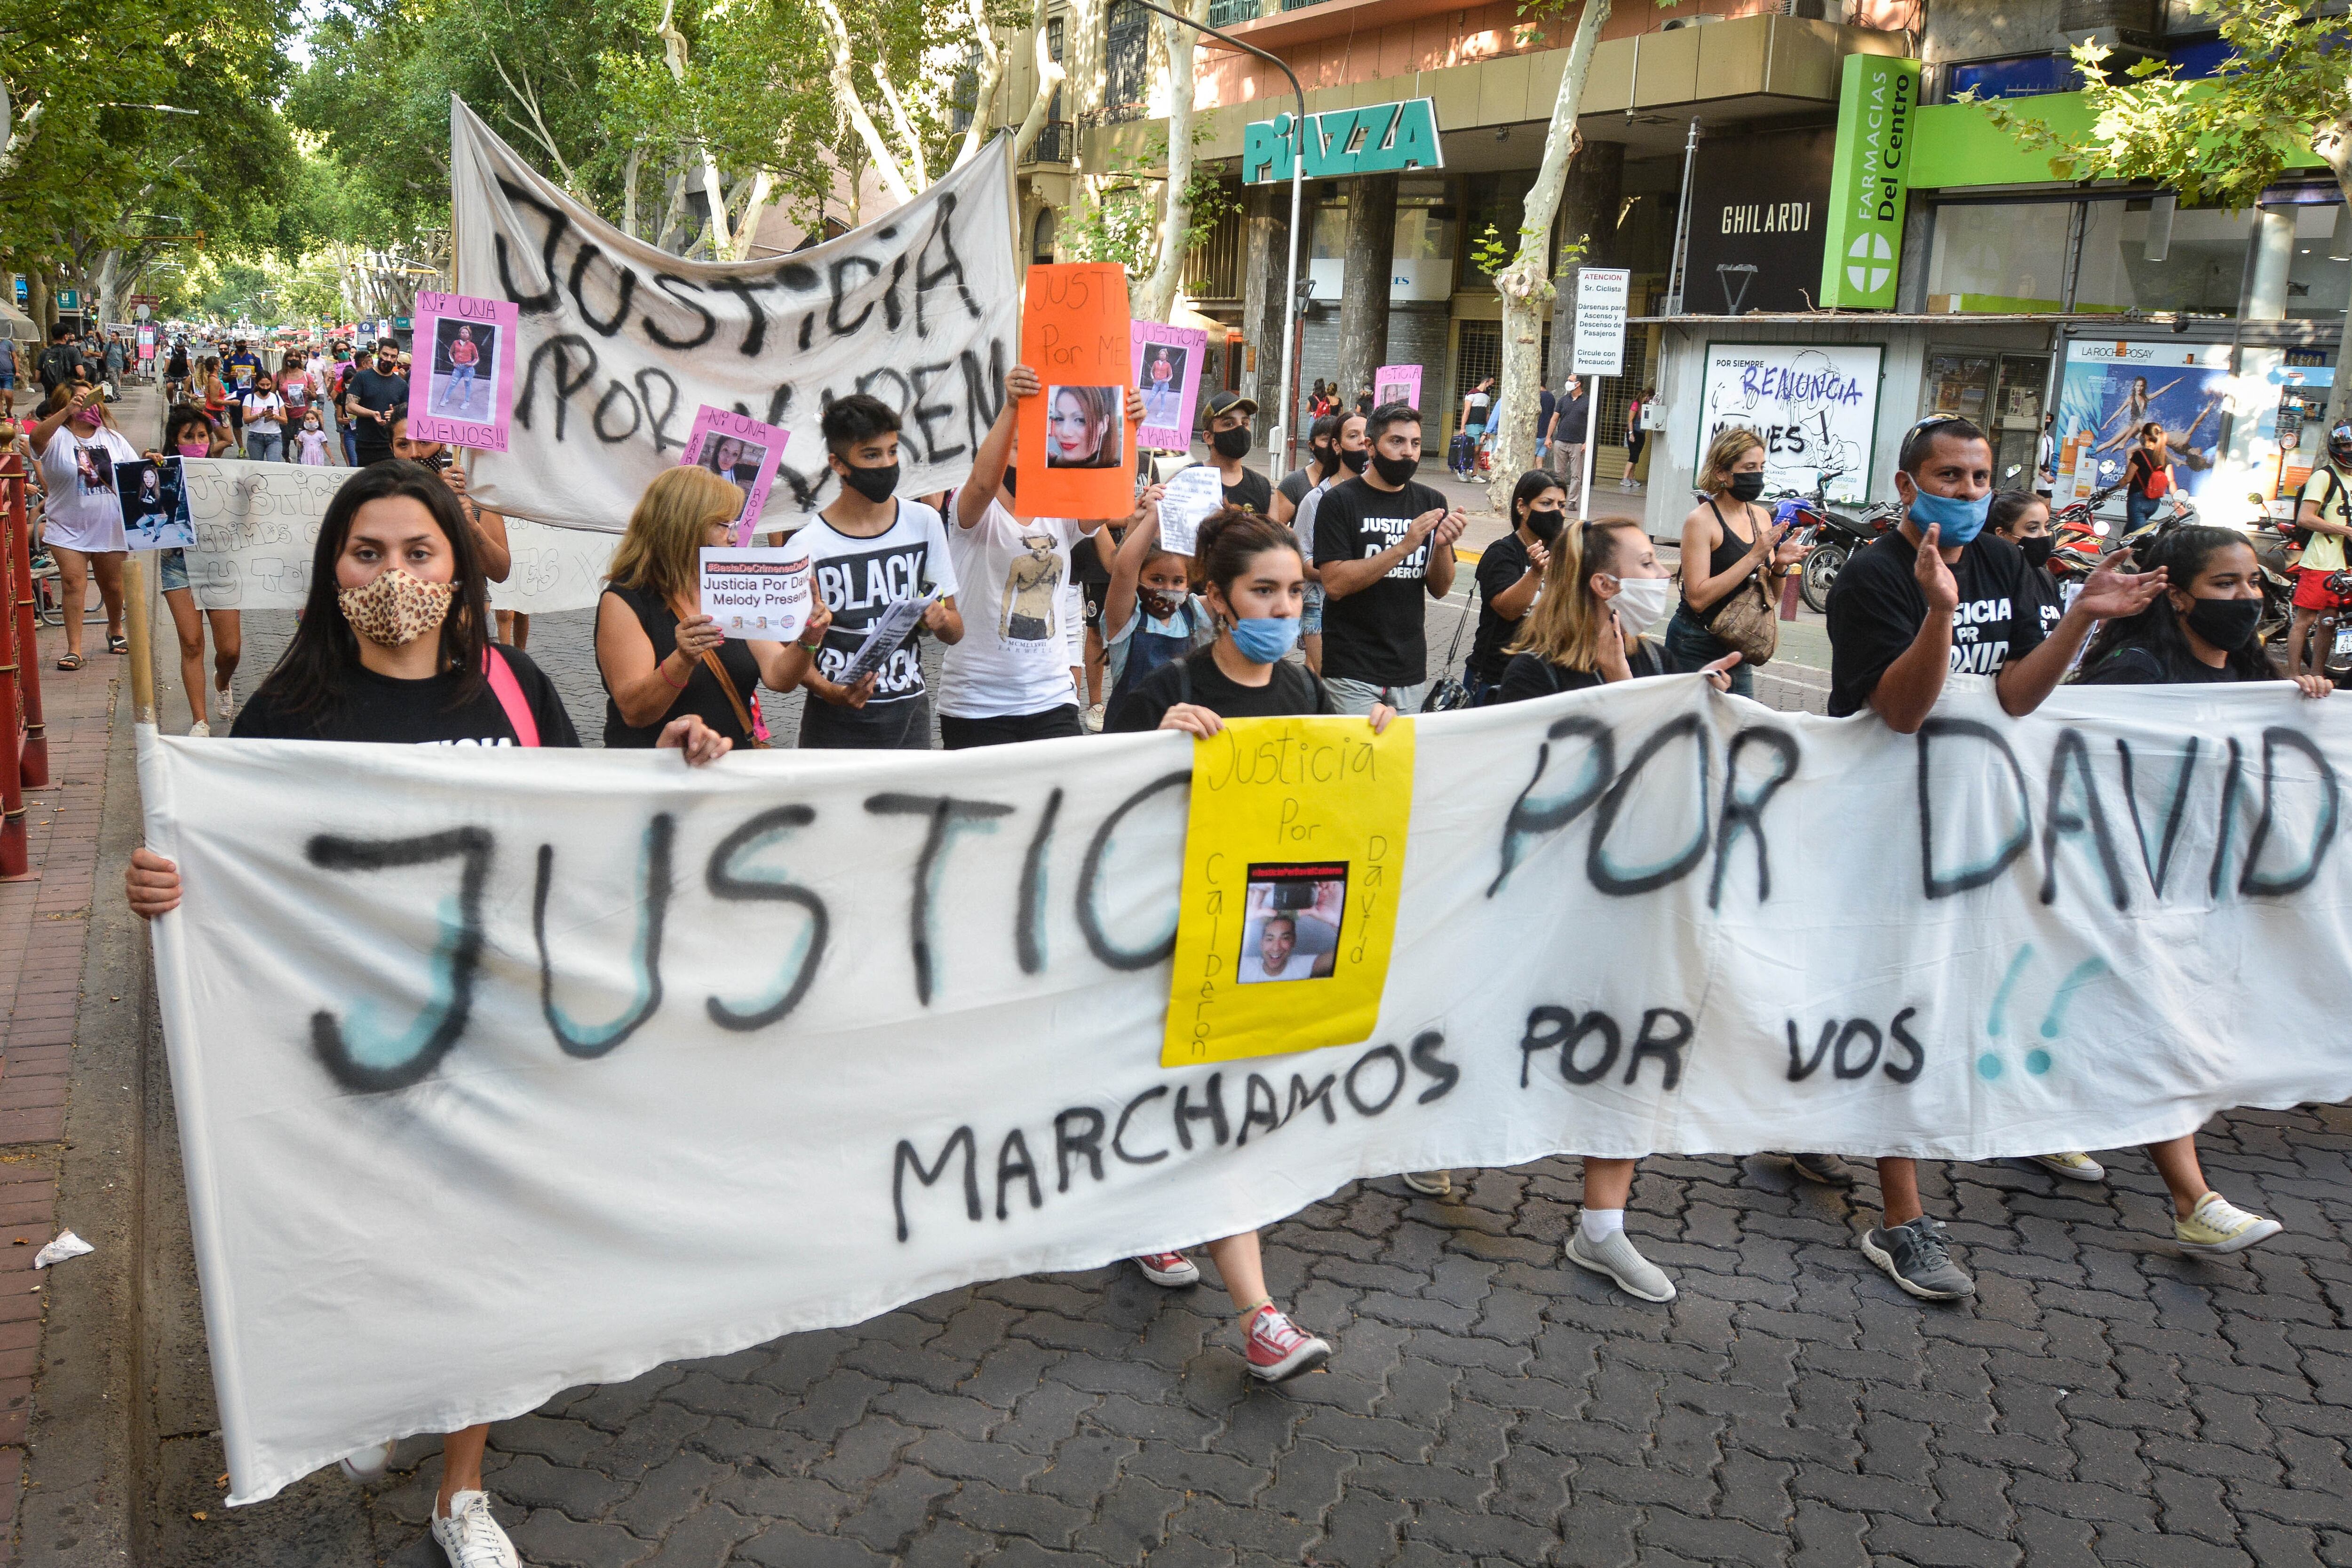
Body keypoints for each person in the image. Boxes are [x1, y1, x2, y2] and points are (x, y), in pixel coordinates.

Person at [124, 459, 731, 1568]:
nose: (394, 575)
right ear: (333, 568)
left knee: (480, 1261)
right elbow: (229, 865)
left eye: (419, 552)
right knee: (375, 1246)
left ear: (460, 567)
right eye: (369, 553)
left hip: (497, 1039)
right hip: (354, 1052)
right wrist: (166, 884)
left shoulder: (510, 685)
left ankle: (463, 1489)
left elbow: (592, 816)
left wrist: (678, 761)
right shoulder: (294, 710)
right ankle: (379, 1387)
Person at [1822, 414, 2164, 1302]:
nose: (1970, 492)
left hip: (1971, 823)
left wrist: (2080, 619)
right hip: (1878, 824)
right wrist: (1937, 613)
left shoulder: (2007, 562)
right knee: (1900, 1002)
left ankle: (1810, 1115)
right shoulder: (1870, 575)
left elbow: (2016, 693)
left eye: (1980, 477)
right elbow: (1901, 710)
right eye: (1950, 476)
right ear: (1907, 485)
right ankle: (1903, 1221)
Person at [1106, 507, 1390, 1381]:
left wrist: (1371, 751)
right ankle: (1260, 1315)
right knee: (1215, 1116)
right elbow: (1098, 811)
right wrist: (1152, 752)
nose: (1284, 605)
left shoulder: (1304, 693)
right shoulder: (1164, 688)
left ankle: (1150, 1219)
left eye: (1295, 590)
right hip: (1177, 942)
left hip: (1271, 940)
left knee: (1208, 1107)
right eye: (1264, 589)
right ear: (1217, 600)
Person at [1479, 517, 1736, 1298]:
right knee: (1506, 1037)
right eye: (1649, 560)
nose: (1662, 572)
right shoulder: (1533, 676)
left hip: (1627, 907)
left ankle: (1603, 1226)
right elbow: (1551, 799)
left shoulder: (1654, 660)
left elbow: (1662, 782)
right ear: (1604, 582)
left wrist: (1692, 708)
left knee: (1628, 1044)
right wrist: (1631, 697)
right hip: (1549, 912)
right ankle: (1445, 1145)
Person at [2063, 523, 2325, 1252]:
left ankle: (2054, 1120)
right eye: (2224, 584)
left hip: (2205, 887)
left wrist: (2308, 702)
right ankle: (2193, 1198)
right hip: (2125, 884)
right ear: (2176, 595)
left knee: (2109, 1018)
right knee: (2162, 1028)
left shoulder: (2250, 675)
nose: (2246, 596)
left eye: (2251, 583)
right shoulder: (2140, 671)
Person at [939, 368, 1142, 747]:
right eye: (1011, 440)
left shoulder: (1058, 507)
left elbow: (1103, 502)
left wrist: (1128, 429)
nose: (1020, 446)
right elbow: (984, 483)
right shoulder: (967, 509)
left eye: (1030, 437)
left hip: (1051, 697)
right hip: (977, 703)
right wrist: (1012, 405)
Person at [777, 394, 961, 748]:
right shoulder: (805, 547)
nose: (887, 464)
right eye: (872, 455)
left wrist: (940, 620)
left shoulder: (924, 523)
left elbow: (955, 629)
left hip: (911, 723)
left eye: (893, 451)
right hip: (834, 730)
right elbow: (788, 655)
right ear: (839, 464)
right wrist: (829, 691)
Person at [599, 466, 827, 748]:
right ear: (684, 526)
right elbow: (636, 712)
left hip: (727, 766)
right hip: (655, 773)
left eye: (736, 526)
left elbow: (778, 677)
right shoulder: (625, 600)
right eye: (724, 525)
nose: (734, 538)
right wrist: (682, 660)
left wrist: (808, 639)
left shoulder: (730, 586)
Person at [1312, 401, 1465, 715]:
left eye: (1416, 443)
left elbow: (1440, 589)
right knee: (1356, 759)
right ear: (1370, 447)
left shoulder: (1432, 502)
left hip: (1408, 670)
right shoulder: (1339, 502)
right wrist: (1402, 548)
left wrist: (1440, 547)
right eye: (1397, 442)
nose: (1408, 452)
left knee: (1396, 763)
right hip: (1351, 669)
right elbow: (1335, 583)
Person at [1665, 428, 1804, 699]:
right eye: (1749, 467)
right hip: (1695, 642)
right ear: (1721, 473)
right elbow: (1698, 598)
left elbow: (1771, 597)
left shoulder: (1761, 517)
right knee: (1693, 733)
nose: (1758, 475)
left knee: (1739, 732)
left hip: (1739, 643)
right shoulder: (1701, 521)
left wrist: (1780, 566)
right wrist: (1754, 555)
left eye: (1762, 467)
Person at [27, 384, 131, 671]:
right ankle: (74, 648)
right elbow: (36, 438)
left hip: (109, 525)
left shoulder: (113, 439)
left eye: (94, 398)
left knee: (112, 584)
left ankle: (115, 630)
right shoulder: (55, 437)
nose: (91, 405)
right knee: (74, 584)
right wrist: (67, 412)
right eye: (84, 399)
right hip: (67, 527)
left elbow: (133, 470)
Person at [158, 407, 243, 733]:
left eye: (201, 436)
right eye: (188, 437)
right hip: (178, 565)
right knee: (191, 643)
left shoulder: (224, 475)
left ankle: (222, 681)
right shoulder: (163, 472)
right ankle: (200, 720)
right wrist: (148, 468)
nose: (196, 442)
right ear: (174, 441)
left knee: (230, 650)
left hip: (220, 565)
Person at [1465, 472, 1567, 705]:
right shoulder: (1503, 553)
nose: (1556, 512)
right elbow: (1508, 609)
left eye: (1561, 505)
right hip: (1495, 682)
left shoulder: (1563, 556)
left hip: (1545, 681)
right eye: (1546, 503)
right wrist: (1535, 573)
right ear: (1522, 506)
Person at [2285, 420, 2352, 682]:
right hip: (2321, 561)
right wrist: (2345, 531)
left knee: (2330, 621)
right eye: (2345, 445)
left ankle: (2317, 674)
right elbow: (2305, 518)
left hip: (2346, 562)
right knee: (2305, 620)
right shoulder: (2324, 476)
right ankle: (2293, 676)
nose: (2349, 450)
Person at [1987, 489, 2066, 647]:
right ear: (2002, 534)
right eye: (2033, 528)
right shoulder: (1986, 583)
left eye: (2046, 526)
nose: (2044, 536)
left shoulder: (2046, 579)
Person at [343, 338, 410, 467]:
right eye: (385, 354)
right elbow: (350, 406)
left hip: (390, 446)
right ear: (379, 353)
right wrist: (372, 414)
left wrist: (396, 414)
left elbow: (407, 413)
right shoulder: (362, 377)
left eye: (393, 356)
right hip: (366, 444)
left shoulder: (401, 385)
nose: (389, 359)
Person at [1200, 390, 1270, 514]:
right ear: (1209, 437)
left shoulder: (1263, 487)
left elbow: (1272, 532)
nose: (1240, 429)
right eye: (1229, 424)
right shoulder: (1186, 480)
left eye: (1245, 423)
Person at [1045, 384, 1120, 468]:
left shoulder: (1117, 471)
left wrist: (1133, 425)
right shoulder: (1042, 463)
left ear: (1104, 424)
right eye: (1060, 419)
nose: (1065, 432)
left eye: (1081, 420)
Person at [2122, 421, 2175, 540]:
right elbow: (2171, 482)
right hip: (2154, 503)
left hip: (2138, 501)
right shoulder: (2164, 458)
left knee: (2138, 540)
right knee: (2128, 535)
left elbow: (2127, 479)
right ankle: (2116, 556)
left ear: (2145, 436)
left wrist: (2109, 492)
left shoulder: (2140, 455)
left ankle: (2147, 557)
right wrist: (2177, 501)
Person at [241, 370, 288, 462]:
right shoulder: (250, 398)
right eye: (262, 385)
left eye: (268, 385)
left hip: (274, 436)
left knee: (274, 464)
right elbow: (246, 419)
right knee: (257, 466)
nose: (265, 388)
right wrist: (260, 415)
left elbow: (285, 420)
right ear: (257, 384)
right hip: (255, 436)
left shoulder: (277, 398)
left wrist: (274, 417)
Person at [1549, 376, 1589, 483]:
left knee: (1576, 475)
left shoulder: (1588, 401)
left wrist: (1587, 442)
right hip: (1561, 441)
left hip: (1578, 444)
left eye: (1571, 381)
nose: (1568, 383)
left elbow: (1592, 423)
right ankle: (1560, 498)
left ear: (1578, 384)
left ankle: (1572, 501)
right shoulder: (1563, 400)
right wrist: (1549, 437)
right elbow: (1555, 419)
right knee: (1558, 474)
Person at [439, 325, 483, 416]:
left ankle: (466, 401)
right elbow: (451, 353)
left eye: (466, 333)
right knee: (452, 384)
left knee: (467, 385)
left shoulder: (472, 345)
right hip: (458, 368)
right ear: (460, 334)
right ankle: (445, 399)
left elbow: (476, 358)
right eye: (463, 332)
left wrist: (471, 364)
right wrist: (453, 362)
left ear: (469, 335)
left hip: (468, 369)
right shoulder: (455, 343)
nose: (464, 334)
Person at [1454, 377, 1493, 480]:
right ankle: (1462, 470)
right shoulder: (1471, 394)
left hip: (1483, 426)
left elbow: (1487, 413)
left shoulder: (1487, 396)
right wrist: (1463, 427)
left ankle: (1475, 474)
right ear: (1486, 382)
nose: (1492, 386)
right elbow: (1466, 411)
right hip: (1472, 425)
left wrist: (1488, 429)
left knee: (1479, 451)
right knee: (1473, 449)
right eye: (1491, 383)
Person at [35, 324, 83, 399]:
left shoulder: (45, 352)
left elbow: (37, 377)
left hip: (51, 394)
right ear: (66, 337)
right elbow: (81, 372)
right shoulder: (73, 351)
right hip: (68, 393)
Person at [1620, 387, 1649, 491]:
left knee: (1636, 457)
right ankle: (1625, 477)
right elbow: (1630, 420)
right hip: (1634, 432)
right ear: (1646, 396)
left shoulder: (1645, 406)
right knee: (1633, 456)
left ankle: (1632, 477)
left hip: (1641, 433)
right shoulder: (1636, 405)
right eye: (1648, 397)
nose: (1649, 399)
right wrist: (1631, 434)